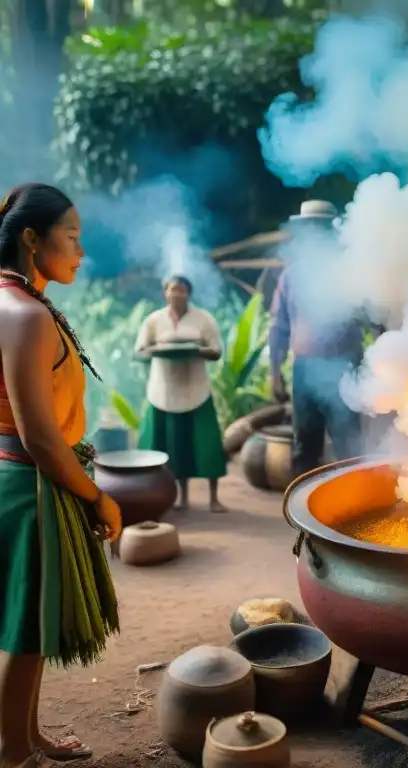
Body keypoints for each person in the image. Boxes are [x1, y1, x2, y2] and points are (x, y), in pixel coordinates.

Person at [0, 183, 122, 767]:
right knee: (26, 633)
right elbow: (41, 439)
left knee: (31, 627)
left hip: (18, 479)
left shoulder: (15, 302)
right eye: (71, 237)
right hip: (31, 487)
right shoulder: (24, 315)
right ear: (31, 238)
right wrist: (97, 497)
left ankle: (26, 738)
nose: (79, 251)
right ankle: (14, 752)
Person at [269, 200, 367, 476]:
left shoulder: (352, 271)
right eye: (311, 227)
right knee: (304, 447)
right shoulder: (291, 275)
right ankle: (303, 514)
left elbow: (375, 317)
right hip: (304, 370)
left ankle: (353, 514)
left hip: (344, 368)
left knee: (349, 446)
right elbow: (279, 327)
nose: (316, 233)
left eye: (322, 227)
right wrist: (275, 374)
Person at [135, 275, 228, 512]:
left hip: (196, 390)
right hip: (163, 392)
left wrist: (197, 350)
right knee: (174, 446)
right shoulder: (154, 320)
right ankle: (180, 497)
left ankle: (214, 498)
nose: (176, 294)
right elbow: (140, 352)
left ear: (189, 293)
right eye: (172, 290)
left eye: (182, 290)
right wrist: (157, 350)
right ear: (165, 293)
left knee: (207, 445)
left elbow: (217, 351)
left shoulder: (204, 319)